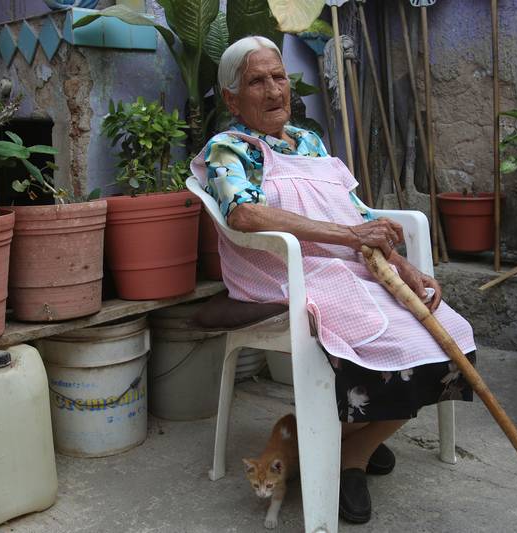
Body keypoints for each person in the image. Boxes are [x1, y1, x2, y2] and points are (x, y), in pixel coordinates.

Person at [190, 36, 476, 524]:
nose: (273, 90)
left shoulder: (309, 141)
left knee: (448, 334)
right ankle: (350, 456)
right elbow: (244, 215)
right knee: (391, 342)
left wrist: (403, 265)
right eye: (257, 82)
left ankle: (351, 447)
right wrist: (348, 236)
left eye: (279, 77)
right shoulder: (228, 149)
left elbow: (355, 212)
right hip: (280, 275)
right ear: (233, 100)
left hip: (344, 267)